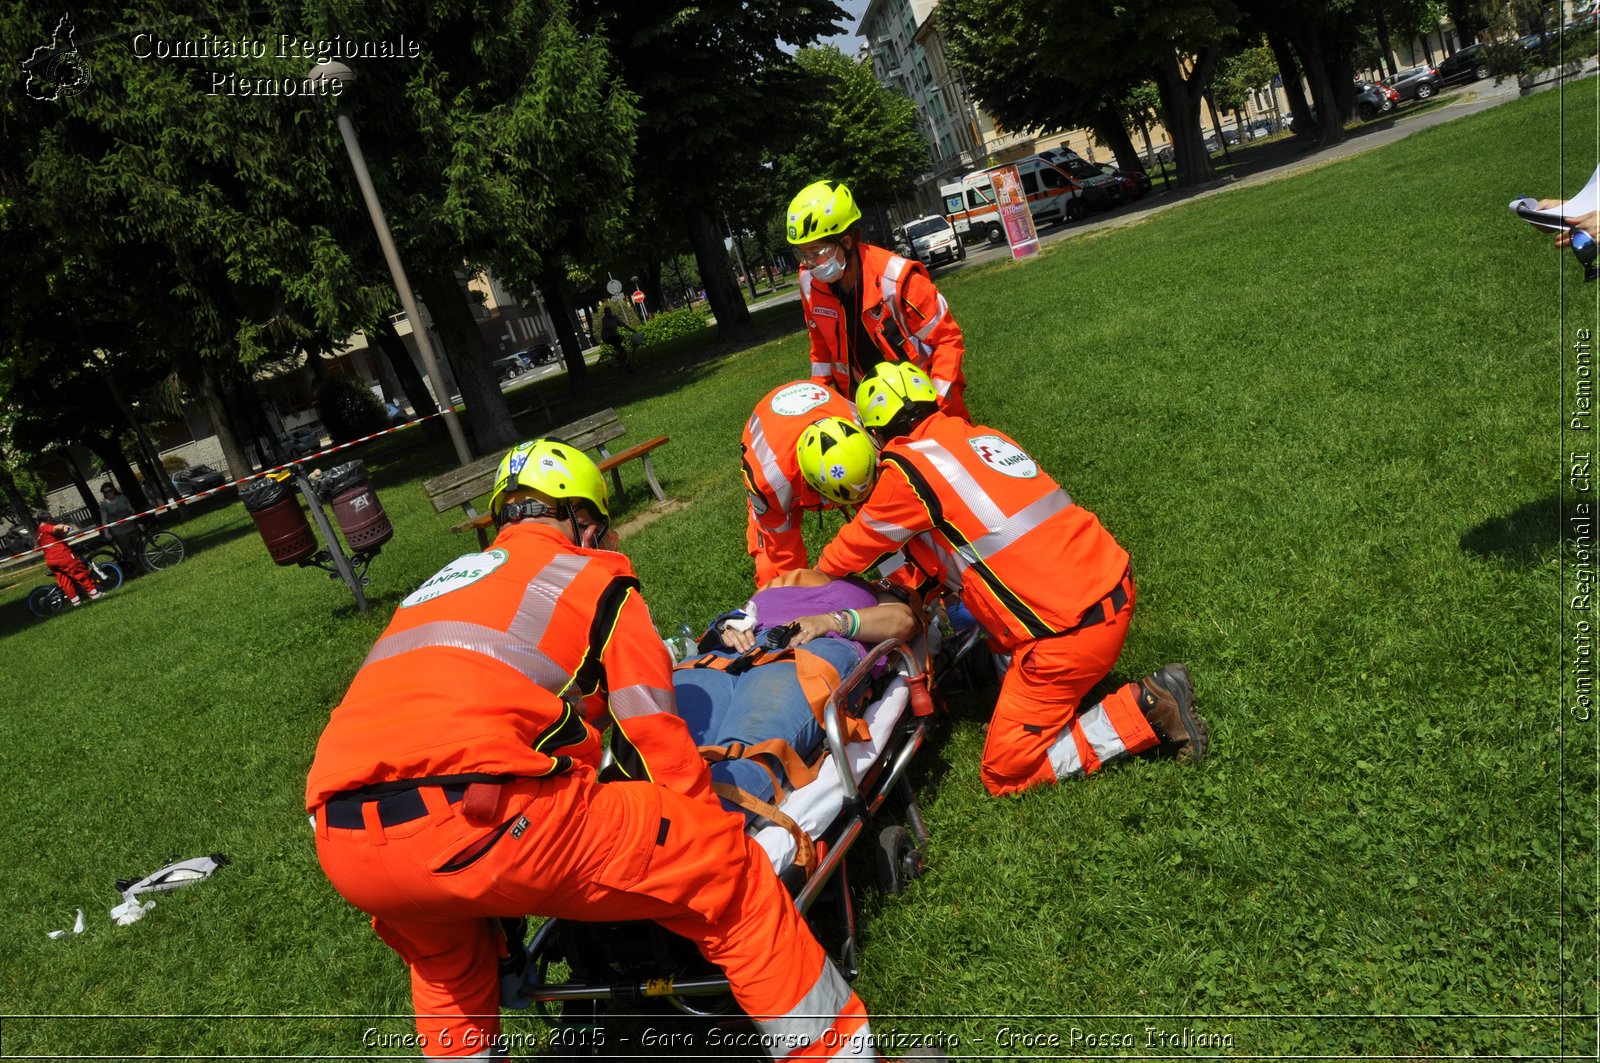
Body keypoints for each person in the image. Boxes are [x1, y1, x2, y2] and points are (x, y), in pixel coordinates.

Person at [306, 440, 883, 1062]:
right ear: (581, 518)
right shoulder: (590, 576)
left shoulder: (435, 590)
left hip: (346, 839)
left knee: (446, 965)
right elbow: (652, 727)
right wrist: (700, 823)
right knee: (730, 877)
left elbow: (499, 702)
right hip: (484, 817)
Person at [799, 362, 1210, 798]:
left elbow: (843, 556)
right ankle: (1021, 691)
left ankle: (1147, 708)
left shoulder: (907, 474)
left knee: (1004, 774)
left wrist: (805, 588)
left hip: (1066, 634)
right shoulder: (983, 437)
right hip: (1111, 586)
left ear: (876, 434)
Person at [676, 568, 917, 811]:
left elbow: (903, 621)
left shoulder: (871, 587)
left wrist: (830, 621)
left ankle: (696, 833)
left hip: (806, 650)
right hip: (722, 658)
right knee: (665, 750)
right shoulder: (776, 582)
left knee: (744, 756)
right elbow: (729, 622)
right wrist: (725, 628)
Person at [785, 179, 970, 420]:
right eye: (802, 253)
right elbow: (821, 349)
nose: (808, 263)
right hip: (863, 409)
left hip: (923, 404)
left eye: (816, 252)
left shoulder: (897, 278)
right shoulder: (810, 283)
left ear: (847, 242)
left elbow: (947, 341)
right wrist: (817, 407)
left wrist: (936, 406)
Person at [741, 379, 860, 586]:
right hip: (776, 464)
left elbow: (879, 520)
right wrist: (802, 594)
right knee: (771, 570)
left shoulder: (867, 436)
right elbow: (785, 553)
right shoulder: (772, 482)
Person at [35, 512, 100, 606]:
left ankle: (75, 602)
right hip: (62, 556)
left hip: (51, 561)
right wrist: (64, 527)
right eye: (51, 518)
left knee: (65, 581)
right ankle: (94, 594)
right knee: (79, 572)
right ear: (48, 518)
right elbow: (56, 528)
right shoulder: (47, 527)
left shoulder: (38, 533)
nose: (52, 520)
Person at [98, 483, 142, 572]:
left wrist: (139, 522)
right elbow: (104, 520)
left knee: (139, 548)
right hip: (118, 532)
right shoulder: (103, 505)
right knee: (127, 553)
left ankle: (144, 564)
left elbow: (131, 510)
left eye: (109, 491)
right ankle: (135, 569)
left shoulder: (122, 498)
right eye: (105, 492)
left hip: (131, 527)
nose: (108, 493)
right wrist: (107, 533)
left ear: (114, 490)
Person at [598, 305, 636, 371]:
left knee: (620, 348)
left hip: (614, 336)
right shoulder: (604, 319)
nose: (608, 313)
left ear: (610, 311)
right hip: (607, 337)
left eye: (609, 311)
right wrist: (618, 335)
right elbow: (609, 328)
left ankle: (619, 358)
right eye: (606, 312)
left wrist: (631, 330)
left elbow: (623, 324)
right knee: (622, 350)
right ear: (605, 313)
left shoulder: (614, 318)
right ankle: (627, 367)